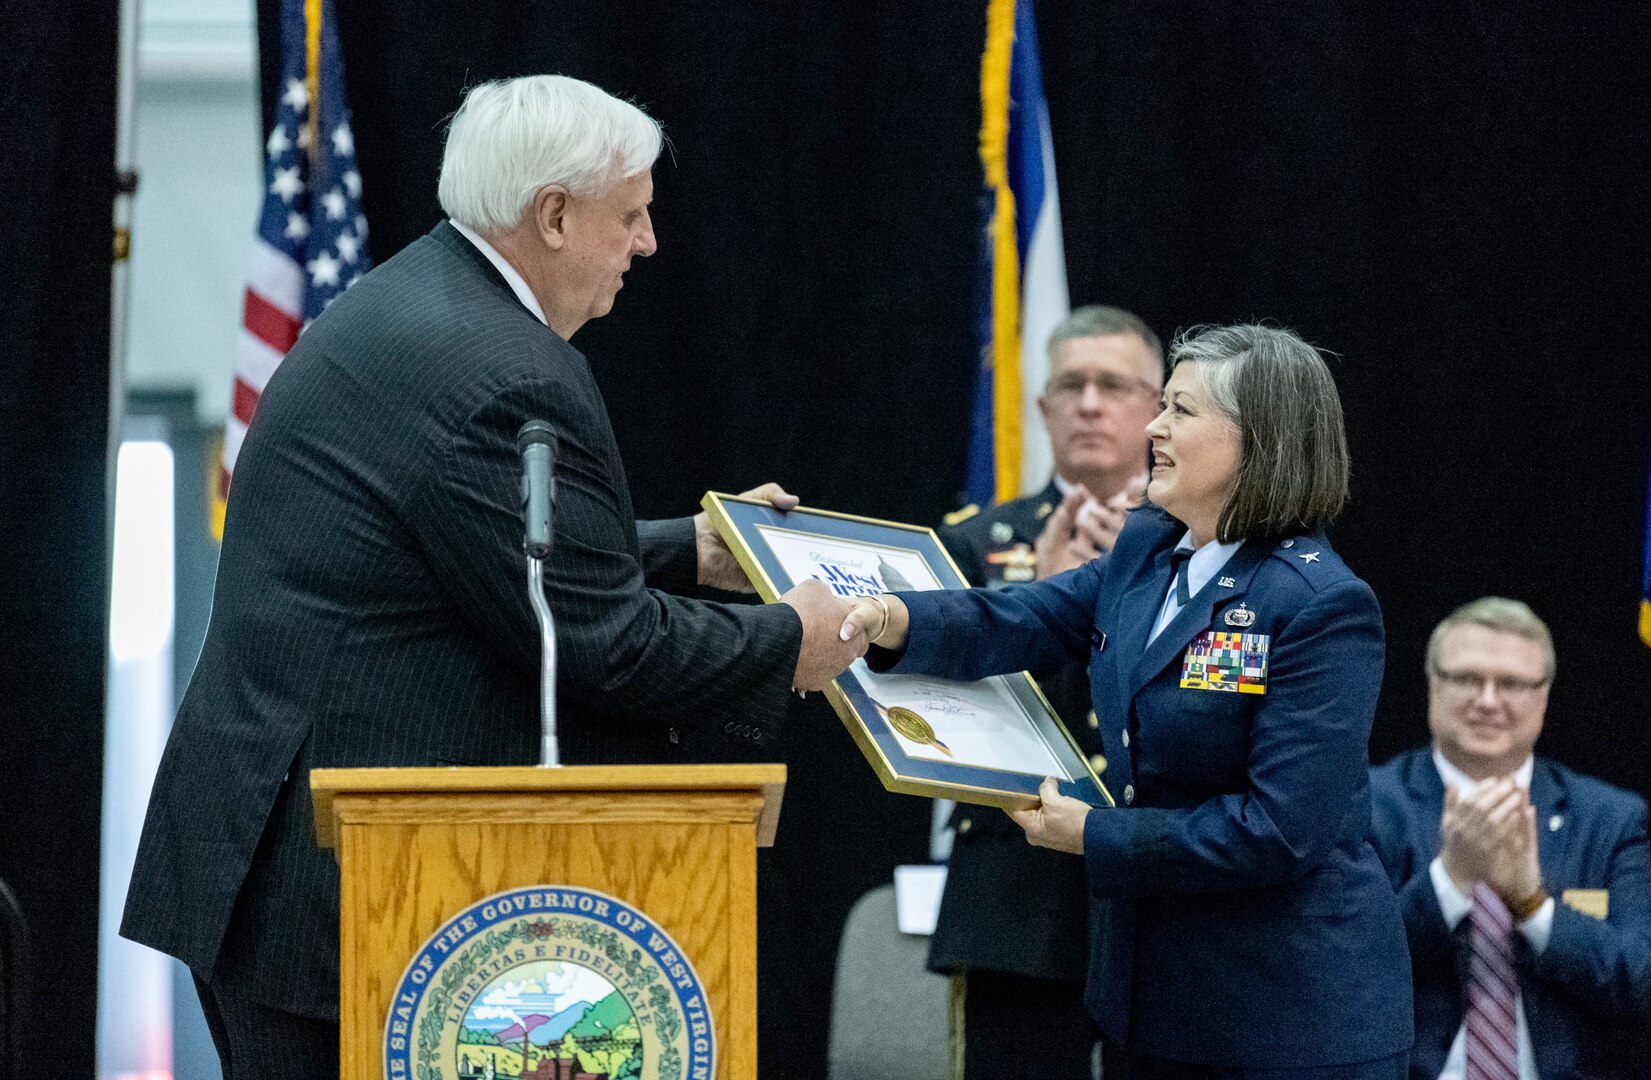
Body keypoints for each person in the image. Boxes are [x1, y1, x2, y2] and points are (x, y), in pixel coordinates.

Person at [120, 75, 867, 1079]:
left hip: (271, 854)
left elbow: (459, 552)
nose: (646, 245)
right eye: (632, 215)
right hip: (342, 895)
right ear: (553, 215)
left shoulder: (413, 297)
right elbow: (608, 644)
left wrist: (685, 550)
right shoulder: (504, 372)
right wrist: (788, 644)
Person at [841, 324, 1413, 1075]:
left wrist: (1096, 836)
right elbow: (1028, 615)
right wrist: (891, 617)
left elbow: (1278, 831)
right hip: (1153, 1005)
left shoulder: (1319, 605)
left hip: (1288, 1019)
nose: (1152, 428)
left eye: (1179, 410)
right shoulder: (1148, 548)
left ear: (1258, 439)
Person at [930, 304, 1161, 1079]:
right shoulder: (973, 543)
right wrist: (1047, 611)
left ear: (1158, 409)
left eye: (1114, 385)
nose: (1090, 403)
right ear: (1042, 407)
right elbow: (944, 721)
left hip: (1157, 891)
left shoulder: (1199, 547)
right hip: (1018, 900)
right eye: (1072, 384)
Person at [1368, 598, 1651, 1079]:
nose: (1488, 700)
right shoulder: (1369, 805)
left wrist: (1533, 904)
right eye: (1465, 678)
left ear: (1544, 695)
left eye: (1513, 683)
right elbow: (1343, 971)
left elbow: (1640, 981)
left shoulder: (1612, 819)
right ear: (1432, 682)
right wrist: (1450, 881)